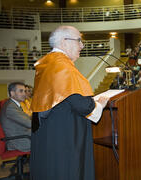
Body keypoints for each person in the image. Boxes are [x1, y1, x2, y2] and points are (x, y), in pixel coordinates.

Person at [30, 26, 109, 180]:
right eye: (79, 40)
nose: (82, 46)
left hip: (50, 129)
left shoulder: (47, 62)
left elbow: (63, 96)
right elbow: (81, 105)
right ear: (64, 42)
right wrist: (99, 104)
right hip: (64, 133)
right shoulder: (62, 65)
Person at [0, 82, 31, 152]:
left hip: (21, 136)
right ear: (12, 93)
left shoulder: (13, 104)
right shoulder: (10, 107)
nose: (24, 94)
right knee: (47, 139)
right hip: (18, 141)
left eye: (24, 91)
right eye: (21, 91)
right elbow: (30, 124)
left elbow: (27, 118)